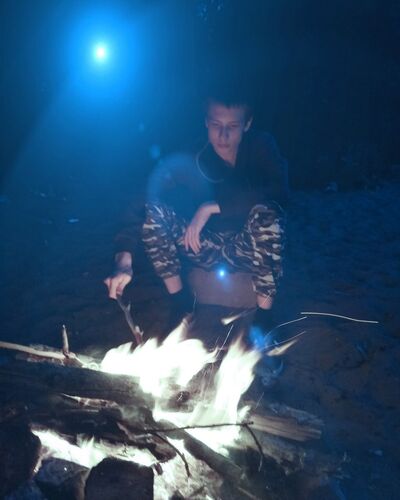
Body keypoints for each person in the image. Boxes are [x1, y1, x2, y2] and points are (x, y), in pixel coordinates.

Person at [104, 91, 289, 336]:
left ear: (247, 124)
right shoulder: (193, 155)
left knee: (268, 214)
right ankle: (181, 304)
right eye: (216, 125)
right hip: (203, 246)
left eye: (232, 126)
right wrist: (123, 257)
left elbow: (278, 190)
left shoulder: (261, 147)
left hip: (247, 249)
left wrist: (211, 207)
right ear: (206, 122)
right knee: (154, 212)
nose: (223, 135)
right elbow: (146, 194)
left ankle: (264, 319)